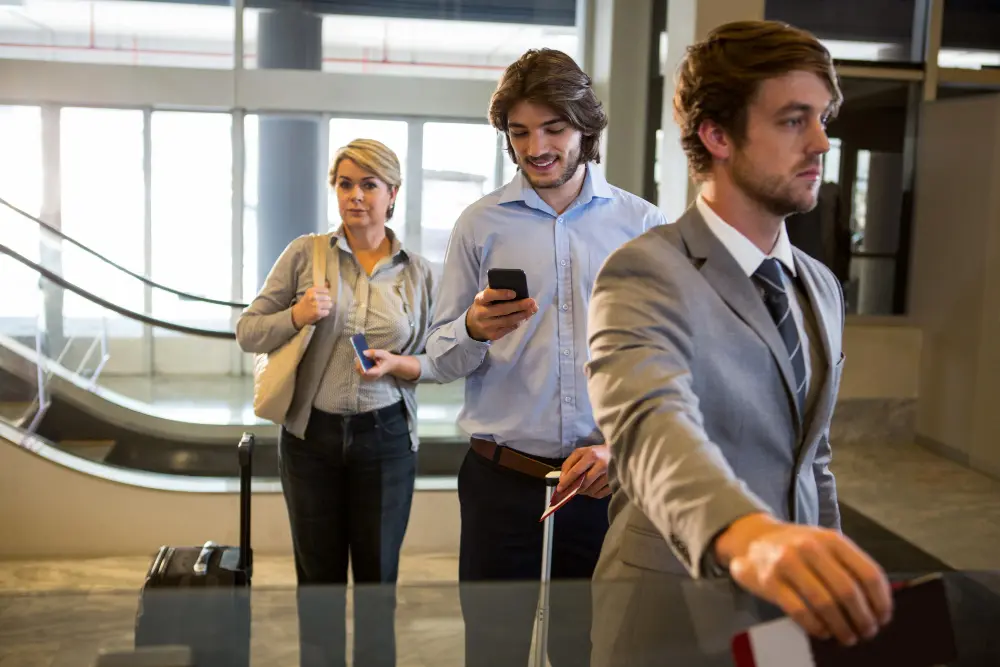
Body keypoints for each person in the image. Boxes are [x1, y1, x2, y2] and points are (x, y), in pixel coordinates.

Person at [585, 20, 894, 665]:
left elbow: (812, 458)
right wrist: (749, 536)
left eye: (822, 119)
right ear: (717, 135)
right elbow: (649, 426)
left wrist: (831, 578)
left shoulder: (819, 285)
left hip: (787, 608)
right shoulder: (645, 271)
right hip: (669, 608)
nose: (821, 142)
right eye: (793, 120)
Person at [422, 48, 667, 666]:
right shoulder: (479, 225)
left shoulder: (641, 224)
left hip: (601, 483)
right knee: (493, 654)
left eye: (553, 129)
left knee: (588, 652)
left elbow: (667, 362)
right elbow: (438, 358)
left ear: (585, 128)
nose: (536, 148)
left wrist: (622, 449)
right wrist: (473, 328)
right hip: (499, 483)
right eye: (520, 132)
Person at [235, 138, 439, 667]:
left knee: (377, 586)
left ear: (392, 193)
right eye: (345, 184)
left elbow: (441, 357)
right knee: (318, 586)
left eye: (369, 185)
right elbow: (248, 331)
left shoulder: (418, 273)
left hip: (386, 440)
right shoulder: (306, 254)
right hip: (311, 440)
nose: (356, 196)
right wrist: (297, 315)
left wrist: (399, 365)